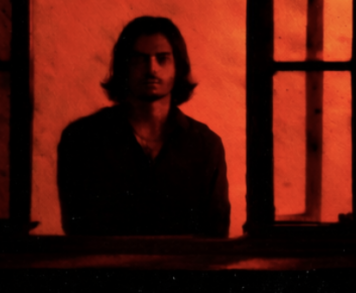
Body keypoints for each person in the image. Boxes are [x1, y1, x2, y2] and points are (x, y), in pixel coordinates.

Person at [57, 16, 230, 237]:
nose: (151, 68)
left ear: (178, 66)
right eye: (139, 59)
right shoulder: (82, 139)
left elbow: (216, 234)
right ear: (124, 67)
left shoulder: (206, 145)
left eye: (162, 58)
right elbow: (77, 230)